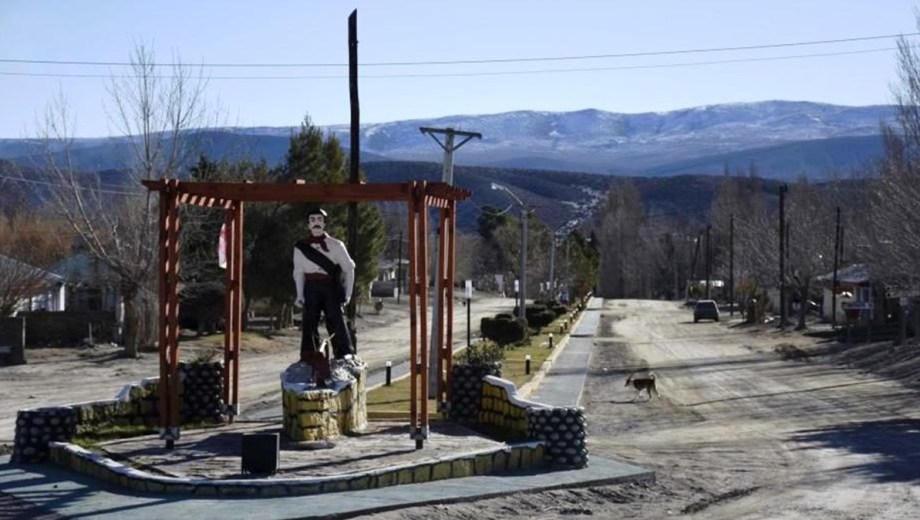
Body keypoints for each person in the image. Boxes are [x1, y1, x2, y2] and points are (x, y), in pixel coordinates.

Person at [293, 208, 356, 364]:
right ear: (308, 224)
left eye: (319, 220)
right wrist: (299, 294)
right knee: (309, 321)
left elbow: (349, 269)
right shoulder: (300, 247)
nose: (316, 223)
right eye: (313, 220)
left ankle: (344, 352)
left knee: (336, 319)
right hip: (311, 287)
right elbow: (298, 272)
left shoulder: (336, 245)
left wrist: (348, 293)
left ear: (325, 223)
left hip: (330, 287)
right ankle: (308, 354)